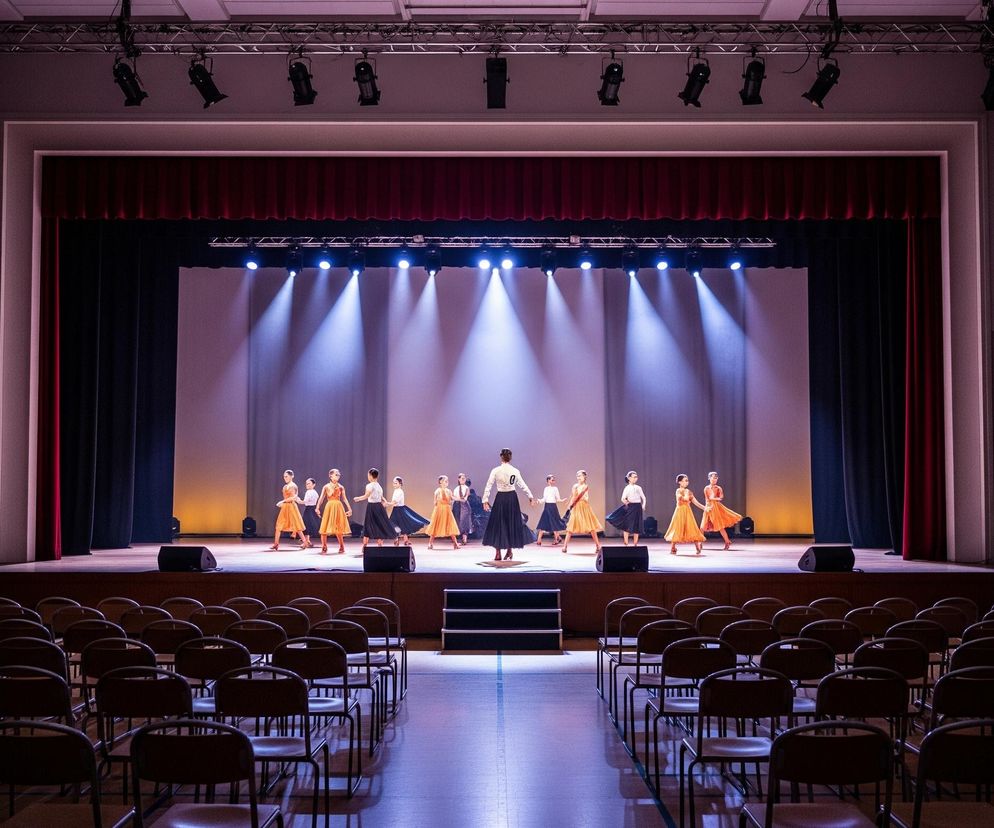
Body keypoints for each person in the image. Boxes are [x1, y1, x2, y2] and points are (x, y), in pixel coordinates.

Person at [482, 448, 537, 561]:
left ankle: (499, 553)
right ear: (510, 457)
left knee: (499, 524)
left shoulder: (496, 470)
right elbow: (522, 485)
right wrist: (530, 496)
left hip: (501, 498)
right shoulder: (515, 470)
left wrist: (485, 500)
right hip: (511, 498)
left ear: (501, 457)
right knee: (510, 523)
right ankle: (509, 551)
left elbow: (489, 485)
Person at [353, 467, 400, 548]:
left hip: (372, 507)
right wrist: (385, 502)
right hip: (379, 507)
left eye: (368, 475)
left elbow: (366, 495)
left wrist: (358, 498)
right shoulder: (379, 486)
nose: (368, 476)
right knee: (382, 524)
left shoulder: (369, 485)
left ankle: (365, 546)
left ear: (371, 476)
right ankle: (389, 540)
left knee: (368, 525)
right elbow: (382, 497)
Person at [562, 469, 603, 554]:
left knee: (591, 527)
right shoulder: (575, 486)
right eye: (577, 476)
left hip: (584, 507)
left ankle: (598, 546)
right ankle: (565, 546)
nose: (579, 477)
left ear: (584, 477)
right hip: (576, 507)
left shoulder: (585, 486)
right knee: (570, 527)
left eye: (580, 475)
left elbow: (580, 496)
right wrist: (569, 507)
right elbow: (573, 497)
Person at [665, 473, 706, 555]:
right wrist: (687, 493)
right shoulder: (678, 491)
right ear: (679, 482)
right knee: (677, 528)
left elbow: (696, 502)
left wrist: (705, 508)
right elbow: (685, 499)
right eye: (685, 481)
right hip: (679, 512)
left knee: (692, 527)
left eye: (687, 481)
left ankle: (697, 547)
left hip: (688, 512)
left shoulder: (688, 491)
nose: (687, 482)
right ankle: (673, 548)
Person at [701, 471, 743, 551]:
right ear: (709, 478)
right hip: (708, 508)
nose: (714, 479)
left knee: (720, 526)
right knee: (702, 527)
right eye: (713, 478)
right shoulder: (706, 488)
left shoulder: (718, 488)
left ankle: (727, 541)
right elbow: (708, 498)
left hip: (715, 508)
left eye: (716, 478)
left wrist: (714, 498)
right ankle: (700, 543)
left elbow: (721, 497)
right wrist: (711, 501)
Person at [384, 476, 430, 546]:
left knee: (402, 525)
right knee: (395, 524)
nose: (394, 484)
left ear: (400, 484)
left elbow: (395, 502)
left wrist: (387, 504)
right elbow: (394, 502)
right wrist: (388, 504)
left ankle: (402, 540)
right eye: (393, 483)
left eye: (396, 483)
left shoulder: (400, 491)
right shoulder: (396, 491)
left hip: (400, 510)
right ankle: (400, 540)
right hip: (396, 510)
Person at [316, 468, 352, 554]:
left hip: (338, 507)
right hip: (329, 506)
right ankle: (324, 546)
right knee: (324, 527)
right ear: (330, 476)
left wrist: (349, 508)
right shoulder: (326, 486)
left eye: (338, 474)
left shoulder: (341, 487)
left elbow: (344, 498)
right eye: (336, 474)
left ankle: (342, 546)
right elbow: (321, 498)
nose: (337, 476)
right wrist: (317, 507)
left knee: (338, 527)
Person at [606, 470, 647, 546]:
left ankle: (635, 543)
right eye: (633, 477)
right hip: (631, 507)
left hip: (638, 507)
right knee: (627, 525)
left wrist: (643, 505)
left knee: (637, 525)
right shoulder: (627, 488)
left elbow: (644, 498)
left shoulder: (638, 487)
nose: (635, 478)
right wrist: (627, 503)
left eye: (636, 477)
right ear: (629, 478)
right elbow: (623, 498)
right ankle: (626, 542)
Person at [271, 469, 306, 551]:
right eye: (284, 476)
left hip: (291, 507)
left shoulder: (293, 485)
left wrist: (282, 501)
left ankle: (304, 541)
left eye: (286, 476)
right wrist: (283, 503)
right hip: (285, 507)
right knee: (279, 525)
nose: (285, 478)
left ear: (291, 476)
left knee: (297, 525)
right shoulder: (285, 486)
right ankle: (276, 544)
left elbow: (293, 497)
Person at [425, 475, 460, 550]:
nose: (447, 482)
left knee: (450, 525)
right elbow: (434, 502)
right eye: (445, 481)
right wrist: (438, 504)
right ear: (440, 482)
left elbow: (452, 498)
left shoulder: (449, 491)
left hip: (447, 510)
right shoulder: (437, 491)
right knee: (435, 526)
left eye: (447, 481)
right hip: (439, 510)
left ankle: (455, 543)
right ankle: (430, 543)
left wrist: (458, 498)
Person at [535, 474, 567, 546]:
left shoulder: (555, 488)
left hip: (553, 507)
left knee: (554, 523)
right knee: (543, 522)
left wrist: (562, 500)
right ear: (548, 480)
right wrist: (539, 501)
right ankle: (539, 540)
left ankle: (556, 539)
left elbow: (558, 499)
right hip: (547, 507)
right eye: (552, 480)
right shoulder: (546, 489)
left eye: (554, 480)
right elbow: (544, 499)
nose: (553, 481)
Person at [452, 472, 474, 546]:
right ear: (459, 479)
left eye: (464, 478)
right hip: (457, 506)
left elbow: (465, 499)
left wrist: (459, 499)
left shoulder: (467, 488)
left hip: (464, 506)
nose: (463, 479)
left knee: (464, 521)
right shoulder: (456, 489)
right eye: (462, 478)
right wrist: (457, 499)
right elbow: (453, 497)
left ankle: (465, 538)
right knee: (458, 521)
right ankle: (457, 539)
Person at [300, 477, 320, 549]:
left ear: (313, 484)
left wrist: (297, 500)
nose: (307, 485)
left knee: (305, 525)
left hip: (309, 509)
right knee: (310, 525)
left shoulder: (309, 492)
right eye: (306, 484)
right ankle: (307, 541)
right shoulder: (315, 492)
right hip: (313, 509)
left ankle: (305, 542)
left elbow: (304, 501)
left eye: (309, 483)